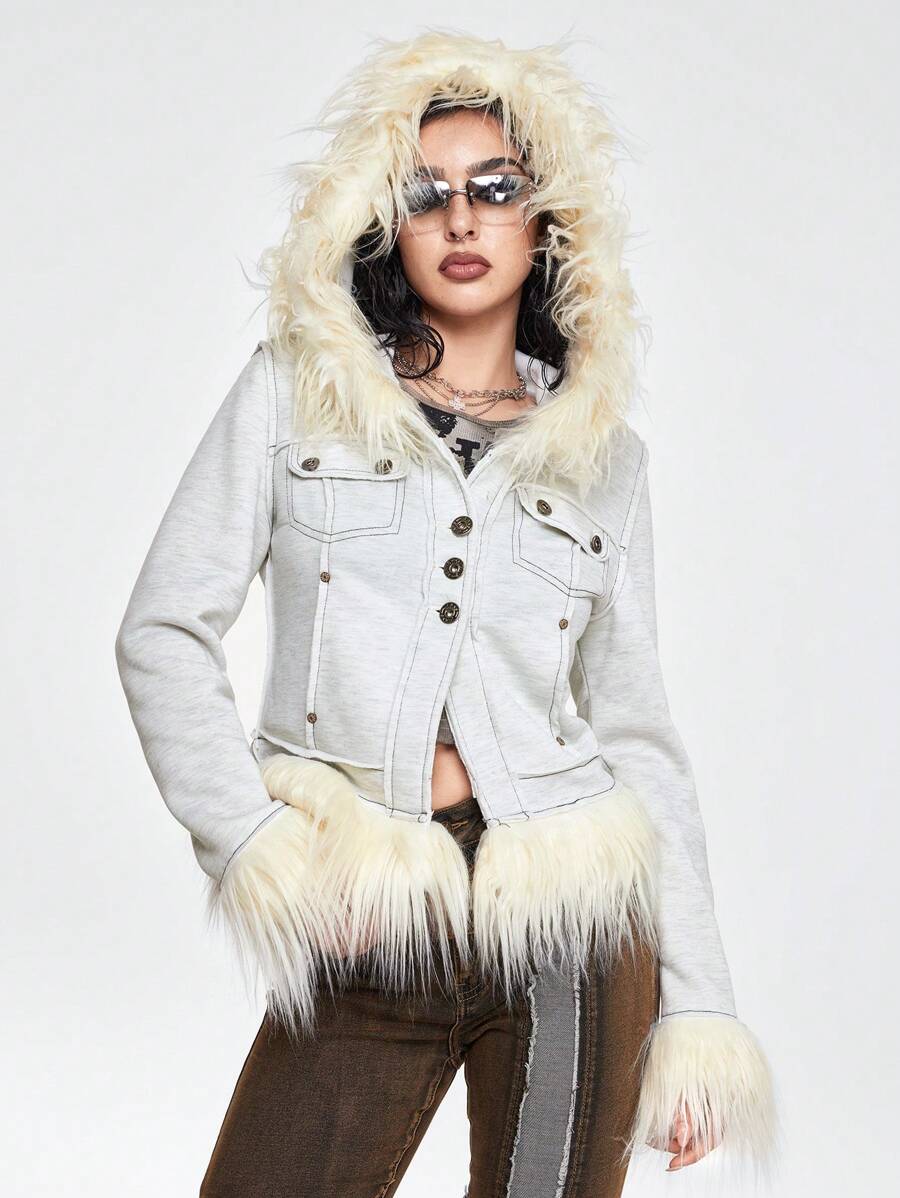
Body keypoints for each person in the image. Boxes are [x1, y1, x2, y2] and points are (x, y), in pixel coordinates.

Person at [115, 30, 778, 1198]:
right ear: (387, 223)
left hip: (571, 924)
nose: (462, 218)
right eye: (427, 195)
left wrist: (701, 1006)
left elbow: (637, 734)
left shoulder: (608, 463)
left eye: (496, 188)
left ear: (547, 218)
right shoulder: (295, 395)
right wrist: (255, 841)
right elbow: (163, 630)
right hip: (368, 901)